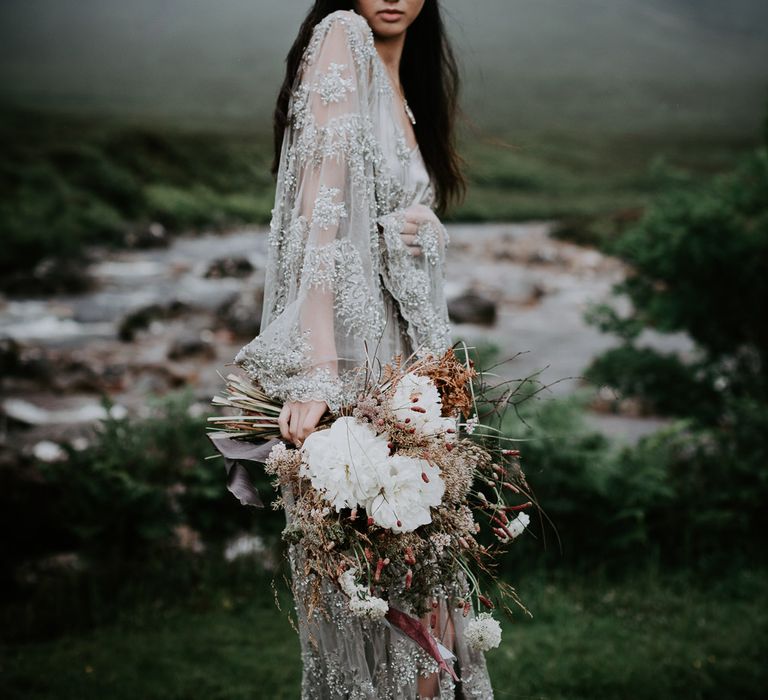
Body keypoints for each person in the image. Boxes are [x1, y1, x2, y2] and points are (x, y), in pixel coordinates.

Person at [234, 1, 494, 697]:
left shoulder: (407, 81)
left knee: (426, 593)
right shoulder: (341, 38)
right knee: (384, 598)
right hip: (361, 366)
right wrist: (319, 373)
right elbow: (321, 215)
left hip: (412, 367)